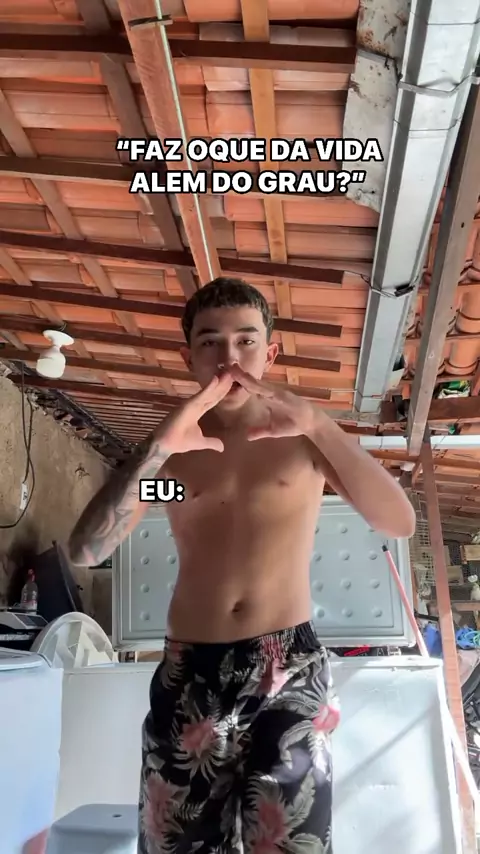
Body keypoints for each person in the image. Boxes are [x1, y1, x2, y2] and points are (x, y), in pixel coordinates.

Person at [68, 277, 416, 853]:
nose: (229, 359)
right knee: (178, 843)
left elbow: (397, 521)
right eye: (210, 342)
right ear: (189, 356)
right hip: (190, 672)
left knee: (289, 844)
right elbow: (88, 550)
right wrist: (158, 447)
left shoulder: (305, 443)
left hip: (288, 668)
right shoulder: (177, 458)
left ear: (270, 352)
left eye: (245, 341)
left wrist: (321, 425)